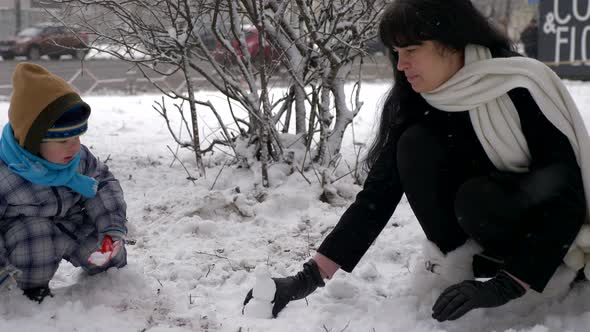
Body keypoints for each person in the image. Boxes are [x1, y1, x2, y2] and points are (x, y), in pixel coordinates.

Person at [243, 0, 590, 322]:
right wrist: (306, 279)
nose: (401, 64)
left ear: (453, 44)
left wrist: (507, 285)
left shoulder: (518, 87)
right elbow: (376, 197)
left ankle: (521, 277)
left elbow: (566, 196)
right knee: (413, 145)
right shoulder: (418, 101)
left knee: (478, 197)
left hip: (548, 244)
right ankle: (467, 270)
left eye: (411, 50)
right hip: (481, 242)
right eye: (396, 52)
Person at [0, 63, 128, 303]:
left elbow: (103, 184)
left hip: (72, 221)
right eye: (63, 141)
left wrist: (111, 228)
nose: (74, 146)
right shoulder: (7, 174)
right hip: (27, 233)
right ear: (32, 141)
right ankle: (29, 291)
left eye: (77, 137)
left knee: (110, 257)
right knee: (36, 244)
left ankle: (105, 280)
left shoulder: (77, 159)